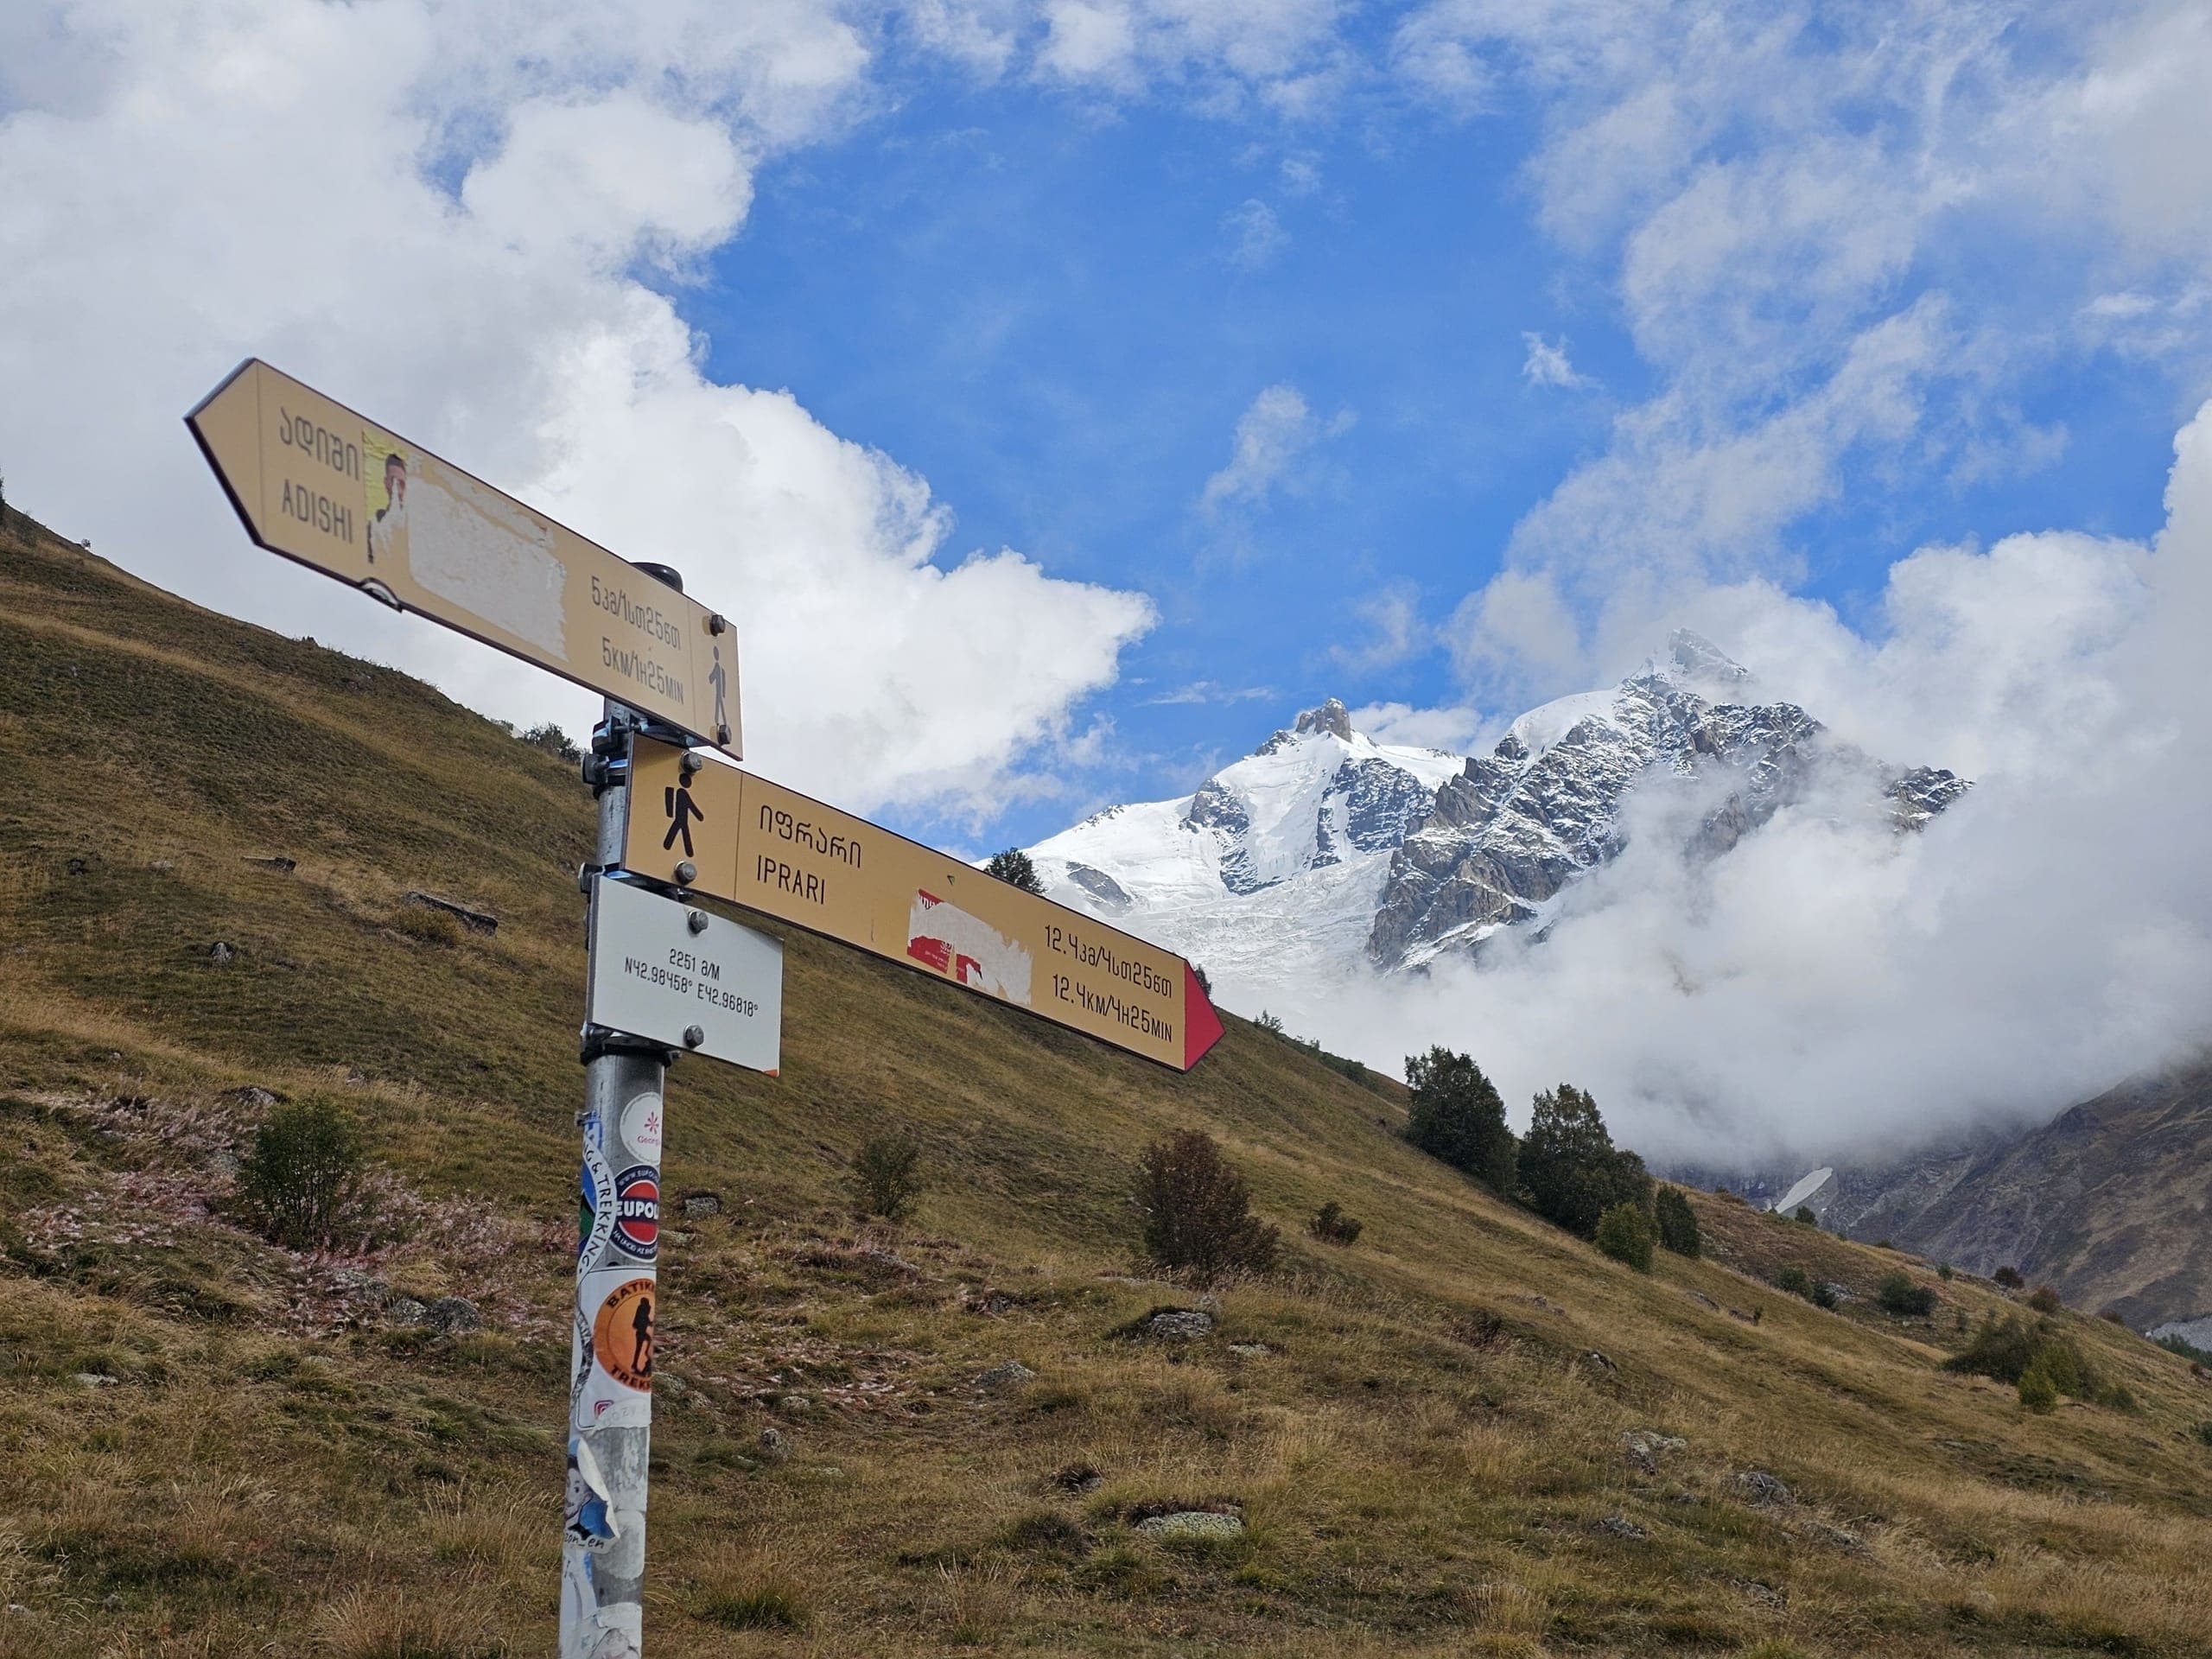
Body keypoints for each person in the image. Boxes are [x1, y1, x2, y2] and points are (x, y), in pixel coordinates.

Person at [368, 451, 408, 564]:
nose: (397, 488)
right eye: (393, 481)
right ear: (386, 482)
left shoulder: (413, 524)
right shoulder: (377, 521)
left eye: (401, 483)